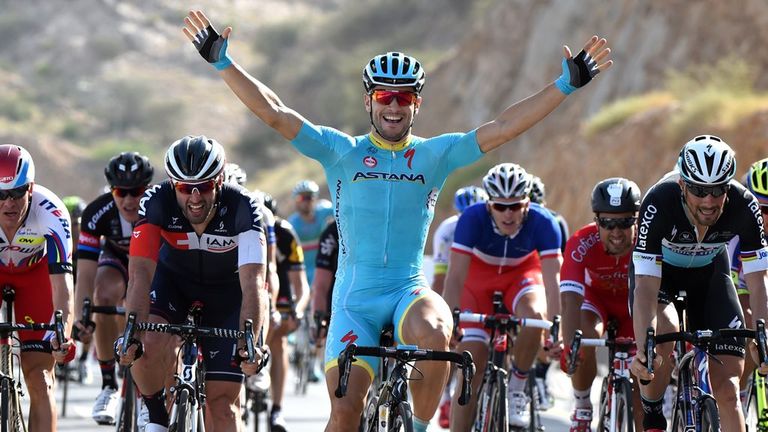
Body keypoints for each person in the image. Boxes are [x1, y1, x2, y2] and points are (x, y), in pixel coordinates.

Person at [183, 10, 612, 431]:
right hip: (355, 300)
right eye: (385, 96)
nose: (394, 106)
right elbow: (275, 113)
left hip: (407, 289)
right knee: (345, 414)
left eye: (404, 97)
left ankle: (421, 426)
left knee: (438, 327)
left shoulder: (435, 154)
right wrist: (223, 63)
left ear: (417, 103)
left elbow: (503, 128)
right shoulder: (341, 151)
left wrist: (564, 86)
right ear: (369, 100)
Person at [116, 136, 268, 432]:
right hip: (173, 283)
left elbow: (254, 282)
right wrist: (131, 331)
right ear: (173, 184)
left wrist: (248, 341)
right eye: (185, 188)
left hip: (227, 294)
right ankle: (157, 416)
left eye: (205, 187)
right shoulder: (156, 201)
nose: (195, 198)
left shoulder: (244, 206)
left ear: (220, 180)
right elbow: (140, 275)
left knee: (223, 407)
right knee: (145, 343)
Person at [630, 135, 768, 432]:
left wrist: (764, 337)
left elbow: (759, 281)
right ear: (682, 184)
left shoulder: (745, 206)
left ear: (728, 186)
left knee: (729, 389)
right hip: (660, 276)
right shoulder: (659, 202)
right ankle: (653, 410)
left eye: (718, 190)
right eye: (699, 190)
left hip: (709, 275)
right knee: (664, 333)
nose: (708, 201)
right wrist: (645, 349)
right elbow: (644, 286)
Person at [443, 163, 563, 430]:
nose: (508, 214)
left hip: (521, 277)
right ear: (489, 205)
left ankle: (517, 389)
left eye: (516, 206)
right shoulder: (472, 219)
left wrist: (556, 330)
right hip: (477, 284)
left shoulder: (544, 223)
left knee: (535, 317)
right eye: (500, 206)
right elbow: (455, 277)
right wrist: (450, 324)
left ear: (527, 204)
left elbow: (553, 282)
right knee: (469, 370)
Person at [71, 151, 154, 425]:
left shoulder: (159, 207)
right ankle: (108, 384)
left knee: (154, 312)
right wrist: (82, 318)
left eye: (136, 191)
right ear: (111, 190)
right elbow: (84, 273)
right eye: (121, 192)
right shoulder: (97, 212)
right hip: (117, 258)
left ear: (148, 188)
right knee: (103, 294)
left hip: (154, 262)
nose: (129, 200)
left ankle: (148, 393)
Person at [0, 144, 75, 432]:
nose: (10, 203)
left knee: (40, 378)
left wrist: (62, 333)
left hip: (36, 277)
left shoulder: (51, 212)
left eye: (17, 192)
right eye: (0, 195)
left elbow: (62, 285)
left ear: (30, 188)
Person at [559, 177, 642, 431]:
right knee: (582, 337)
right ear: (596, 221)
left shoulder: (648, 241)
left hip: (635, 306)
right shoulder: (581, 242)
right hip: (596, 304)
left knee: (641, 395)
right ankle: (583, 405)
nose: (616, 231)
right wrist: (569, 344)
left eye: (625, 222)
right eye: (607, 223)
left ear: (636, 220)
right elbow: (569, 299)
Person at [430, 185, 487, 428]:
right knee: (455, 343)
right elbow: (441, 277)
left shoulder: (490, 226)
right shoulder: (447, 231)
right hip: (459, 284)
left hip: (483, 283)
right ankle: (445, 396)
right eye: (464, 215)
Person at [266, 193, 310, 432]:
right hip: (250, 285)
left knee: (279, 340)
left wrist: (299, 310)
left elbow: (302, 286)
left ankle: (277, 408)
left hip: (280, 288)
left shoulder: (285, 234)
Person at [728, 157, 768, 407]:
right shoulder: (738, 233)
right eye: (762, 209)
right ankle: (738, 398)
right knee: (752, 330)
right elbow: (733, 291)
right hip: (740, 287)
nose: (766, 218)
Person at [527, 174, 568, 411]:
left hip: (544, 275)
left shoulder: (554, 222)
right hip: (520, 276)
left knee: (547, 322)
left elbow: (561, 265)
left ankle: (541, 375)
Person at [287, 180, 334, 285]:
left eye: (309, 197)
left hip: (326, 271)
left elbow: (342, 211)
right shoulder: (292, 224)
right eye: (301, 198)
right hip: (305, 275)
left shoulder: (325, 211)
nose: (306, 201)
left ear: (315, 198)